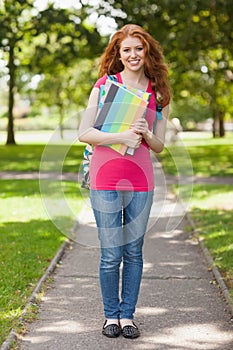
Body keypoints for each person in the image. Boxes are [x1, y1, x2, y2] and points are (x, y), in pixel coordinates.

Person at [78, 24, 171, 339]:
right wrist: (120, 135)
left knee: (133, 250)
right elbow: (84, 132)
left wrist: (144, 132)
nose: (133, 55)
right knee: (110, 253)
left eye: (138, 48)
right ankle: (110, 316)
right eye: (126, 50)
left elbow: (159, 145)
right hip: (105, 178)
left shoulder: (157, 93)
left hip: (141, 181)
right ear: (118, 54)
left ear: (147, 52)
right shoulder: (105, 85)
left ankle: (128, 316)